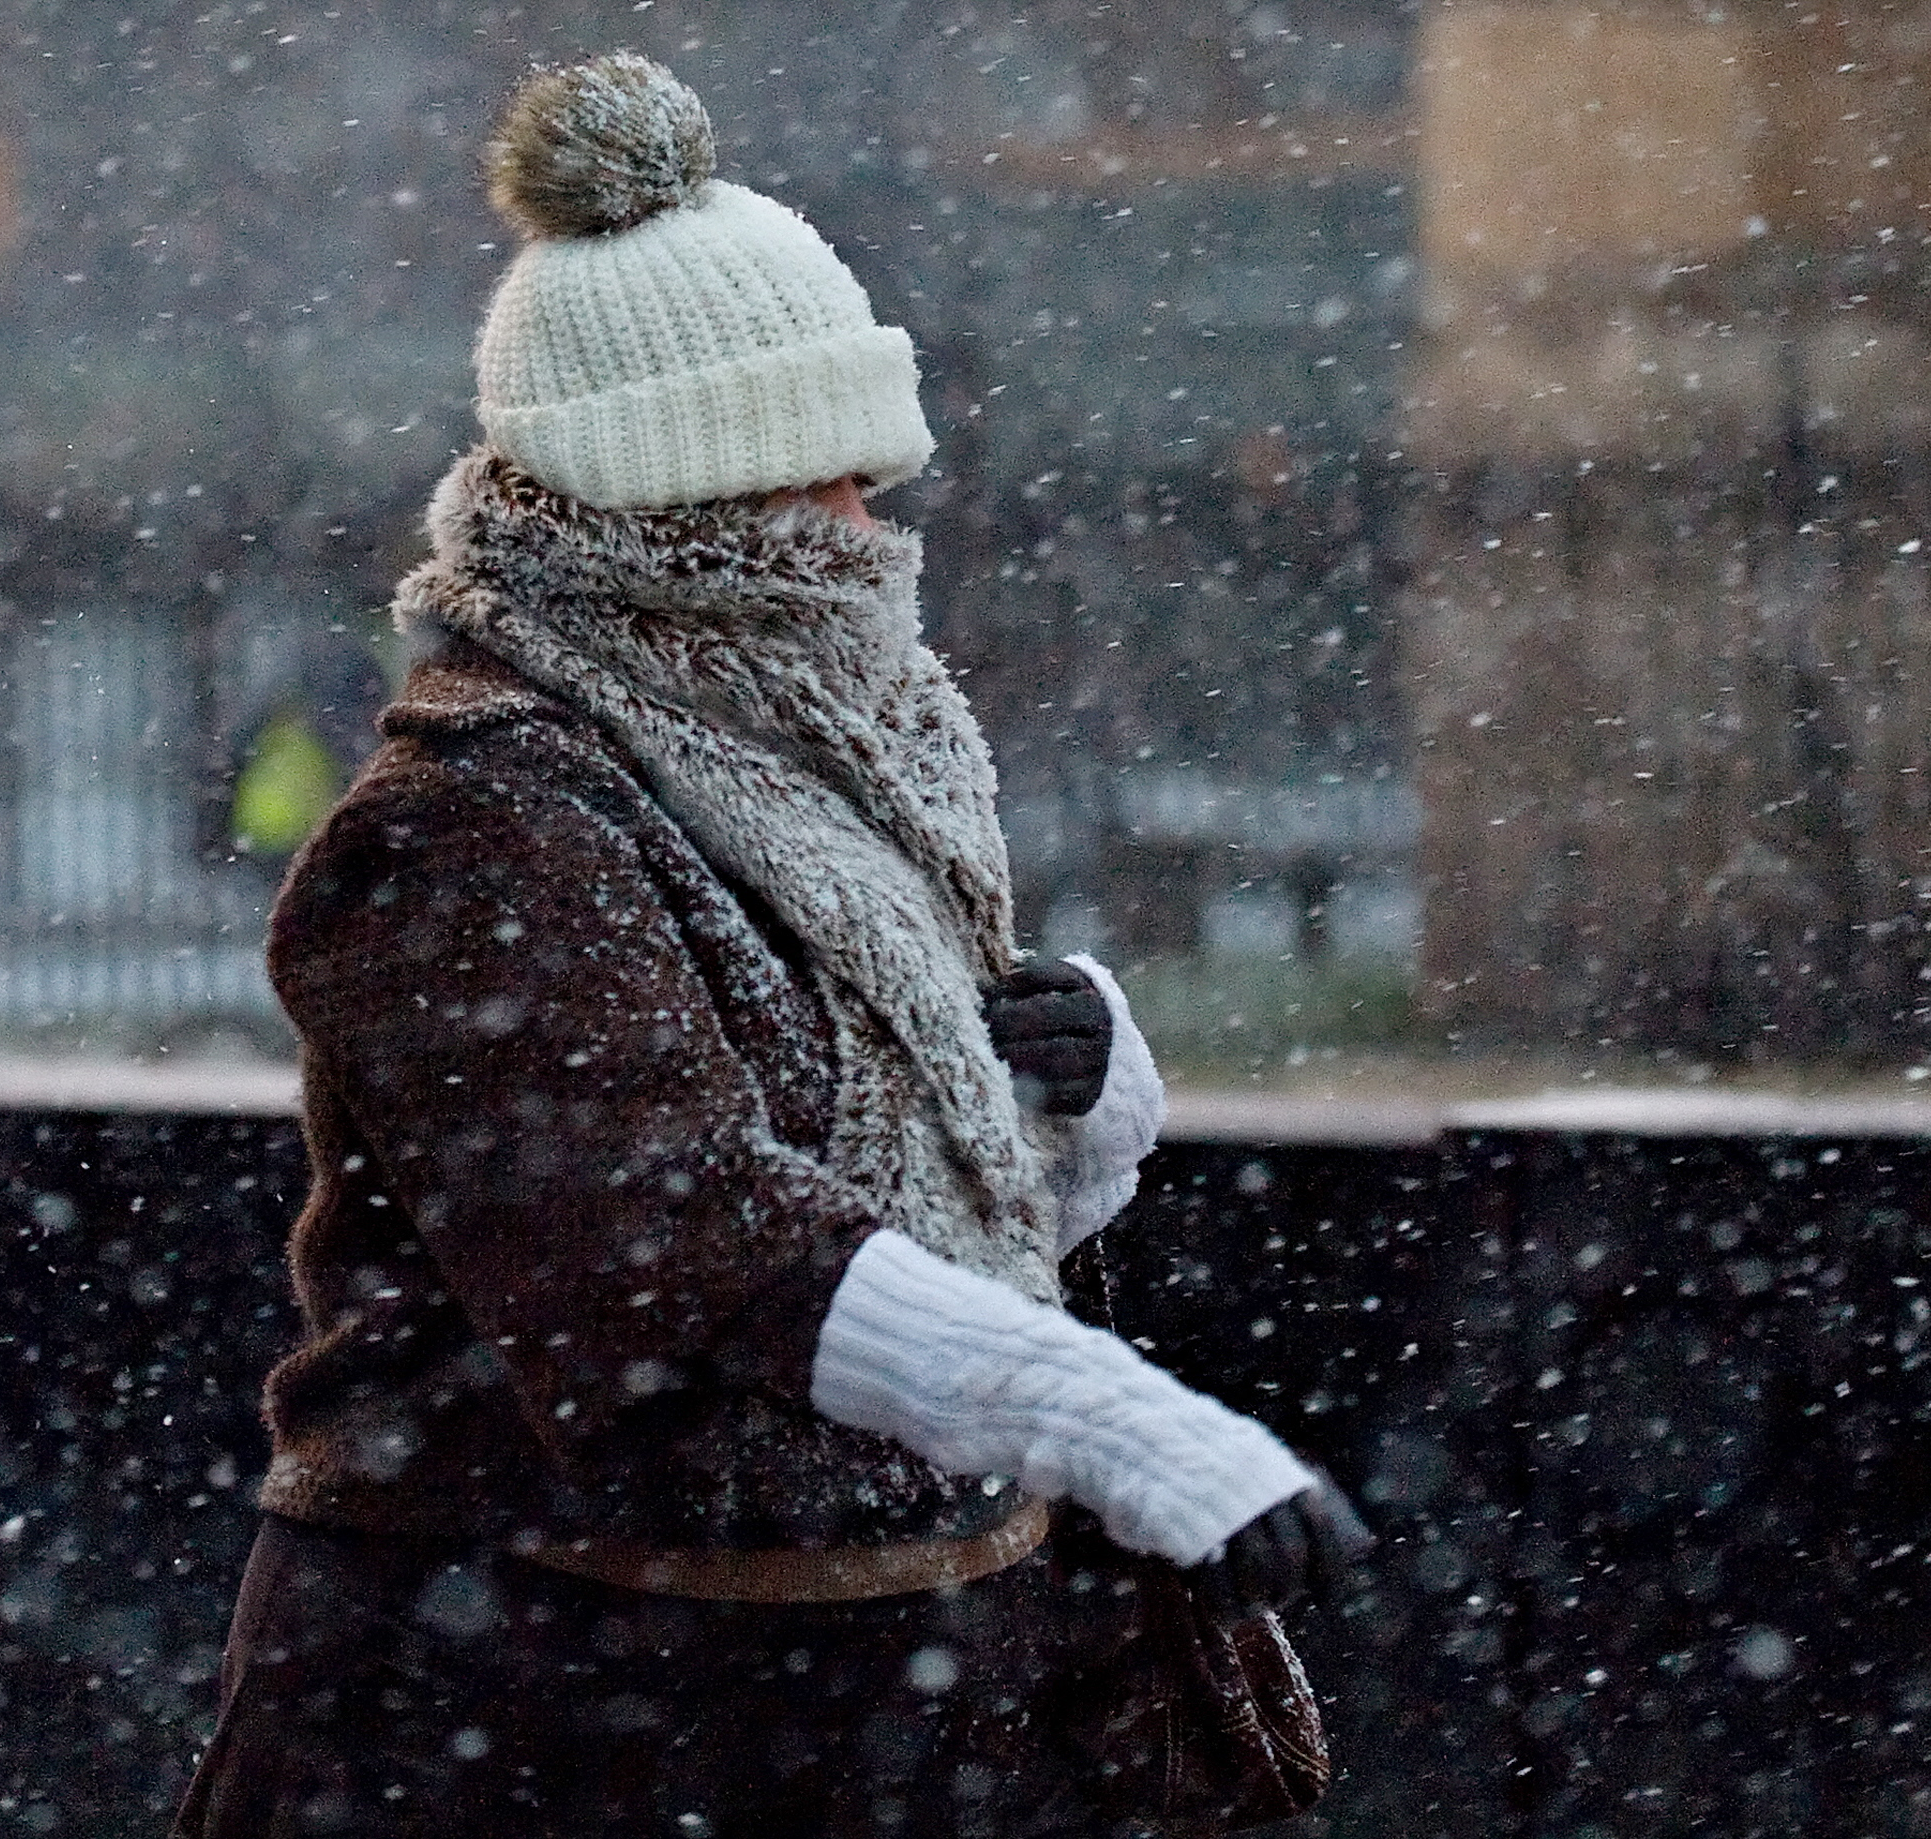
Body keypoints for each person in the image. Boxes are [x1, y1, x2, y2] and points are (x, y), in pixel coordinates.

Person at [172, 53, 1371, 1839]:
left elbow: (928, 1197)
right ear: (699, 492)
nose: (873, 535)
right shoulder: (466, 824)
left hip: (857, 1690)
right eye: (834, 483)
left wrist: (1082, 1091)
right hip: (533, 1714)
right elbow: (686, 1243)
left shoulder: (843, 756)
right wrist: (1126, 1427)